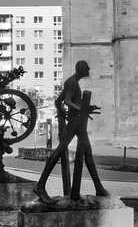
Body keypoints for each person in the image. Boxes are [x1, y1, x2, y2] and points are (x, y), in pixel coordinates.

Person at [33, 61, 110, 205]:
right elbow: (67, 101)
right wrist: (79, 109)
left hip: (76, 122)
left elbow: (58, 101)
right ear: (82, 69)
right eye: (87, 68)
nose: (89, 69)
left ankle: (99, 188)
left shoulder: (71, 81)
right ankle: (40, 185)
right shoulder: (73, 83)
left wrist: (80, 108)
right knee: (62, 151)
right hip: (76, 124)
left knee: (86, 153)